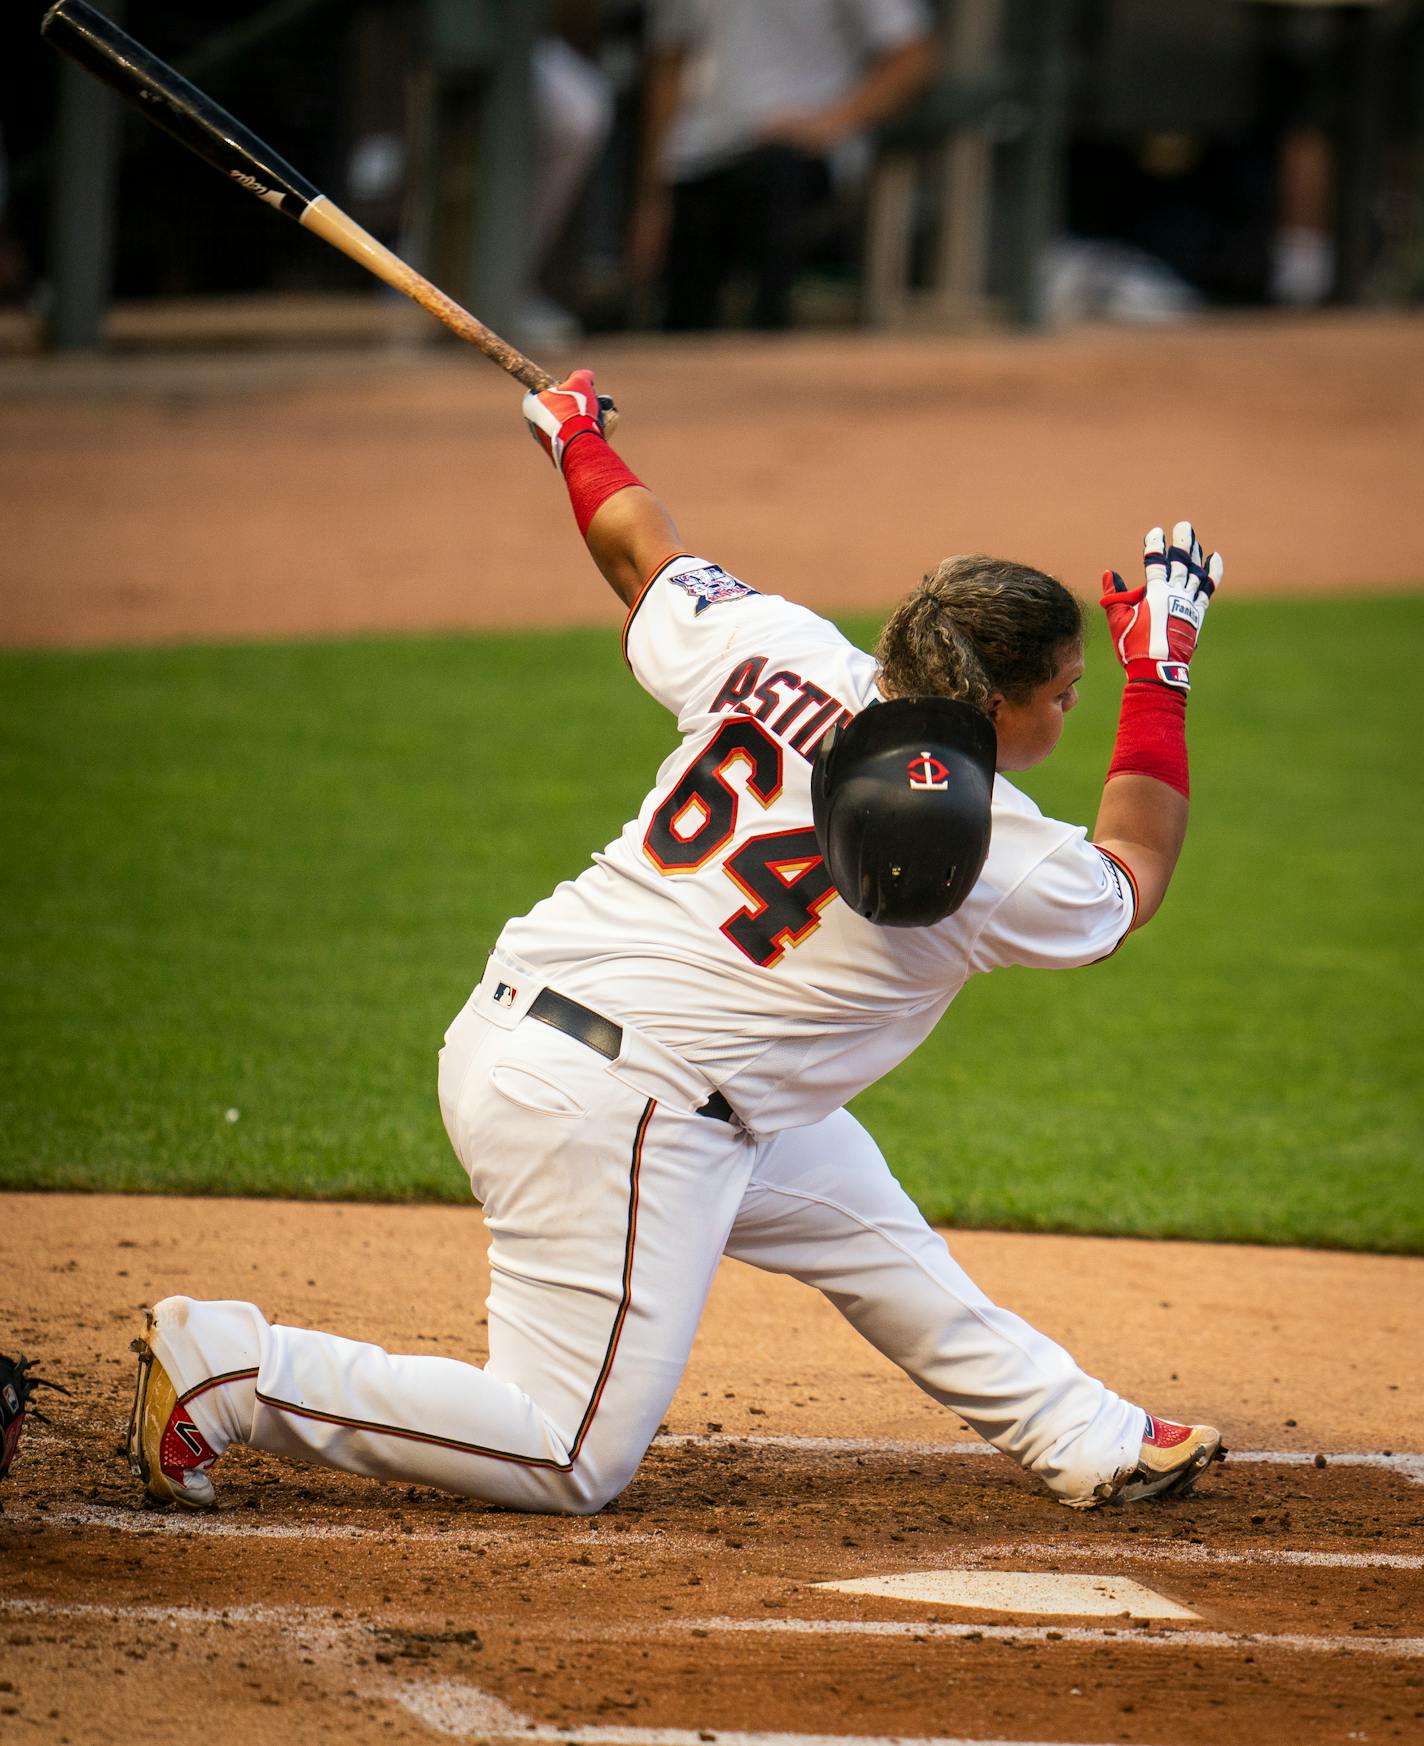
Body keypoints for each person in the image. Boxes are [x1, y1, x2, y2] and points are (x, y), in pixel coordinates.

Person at [127, 369, 1225, 1517]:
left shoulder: (774, 646)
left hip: (539, 1024)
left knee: (852, 1209)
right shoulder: (991, 846)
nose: (1070, 710)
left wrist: (572, 439)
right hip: (624, 1108)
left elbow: (638, 554)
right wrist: (1161, 674)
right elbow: (1132, 873)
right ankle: (231, 1374)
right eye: (1063, 692)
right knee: (566, 1456)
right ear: (998, 708)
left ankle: (1081, 1433)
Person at [629, 0, 937, 328]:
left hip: (795, 159)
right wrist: (653, 196)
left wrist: (830, 123)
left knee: (772, 276)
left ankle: (773, 333)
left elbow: (913, 56)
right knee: (684, 315)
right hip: (696, 157)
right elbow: (669, 64)